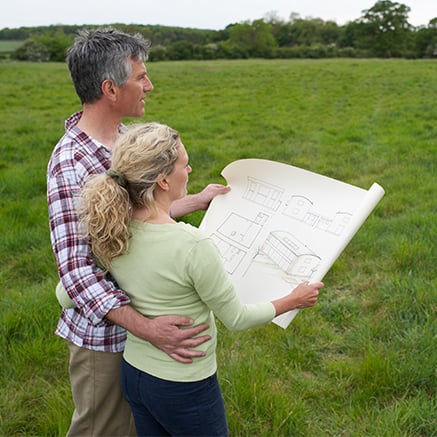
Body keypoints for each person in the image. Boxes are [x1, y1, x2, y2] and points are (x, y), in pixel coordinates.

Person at [74, 121, 324, 436]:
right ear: (163, 180)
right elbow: (236, 318)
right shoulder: (192, 244)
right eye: (183, 164)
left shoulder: (111, 230)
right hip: (184, 385)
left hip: (135, 374)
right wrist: (293, 300)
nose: (190, 169)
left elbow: (66, 292)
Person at [47, 28, 230, 437]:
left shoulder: (128, 141)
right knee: (104, 430)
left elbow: (134, 219)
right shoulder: (71, 161)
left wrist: (195, 200)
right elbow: (77, 271)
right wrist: (146, 328)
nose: (150, 84)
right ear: (110, 89)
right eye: (141, 77)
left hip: (147, 336)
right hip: (108, 336)